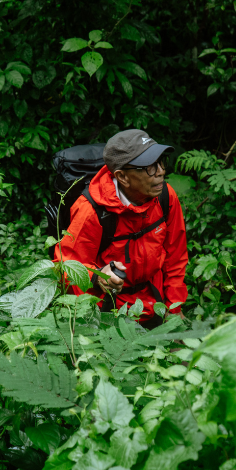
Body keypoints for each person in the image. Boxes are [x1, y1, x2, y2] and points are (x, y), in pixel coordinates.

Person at [54, 129, 188, 327]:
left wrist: (174, 309)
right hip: (109, 314)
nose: (160, 171)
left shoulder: (165, 197)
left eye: (161, 162)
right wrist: (97, 276)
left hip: (156, 305)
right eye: (149, 167)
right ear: (122, 177)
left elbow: (175, 258)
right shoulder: (91, 210)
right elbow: (65, 267)